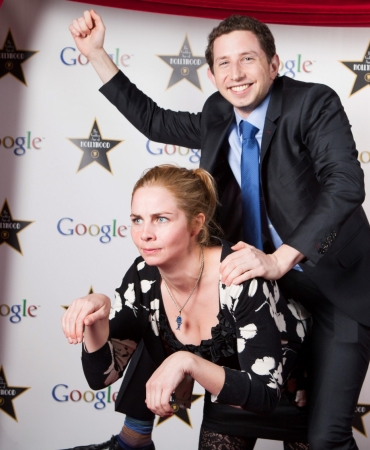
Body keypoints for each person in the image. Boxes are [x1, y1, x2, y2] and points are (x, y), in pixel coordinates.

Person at [69, 10, 370, 449]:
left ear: (274, 65)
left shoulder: (313, 103)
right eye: (224, 63)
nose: (236, 73)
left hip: (335, 287)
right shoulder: (217, 112)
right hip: (262, 292)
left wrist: (281, 258)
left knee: (324, 437)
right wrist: (96, 55)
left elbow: (345, 184)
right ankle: (133, 438)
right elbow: (155, 120)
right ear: (211, 72)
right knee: (163, 297)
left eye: (248, 59)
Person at [62, 165, 311, 450]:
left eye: (161, 219)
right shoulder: (143, 275)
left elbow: (265, 395)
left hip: (294, 388)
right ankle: (132, 440)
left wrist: (185, 361)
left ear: (196, 224)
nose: (145, 234)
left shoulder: (238, 275)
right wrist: (96, 317)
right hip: (227, 391)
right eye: (137, 219)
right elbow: (101, 376)